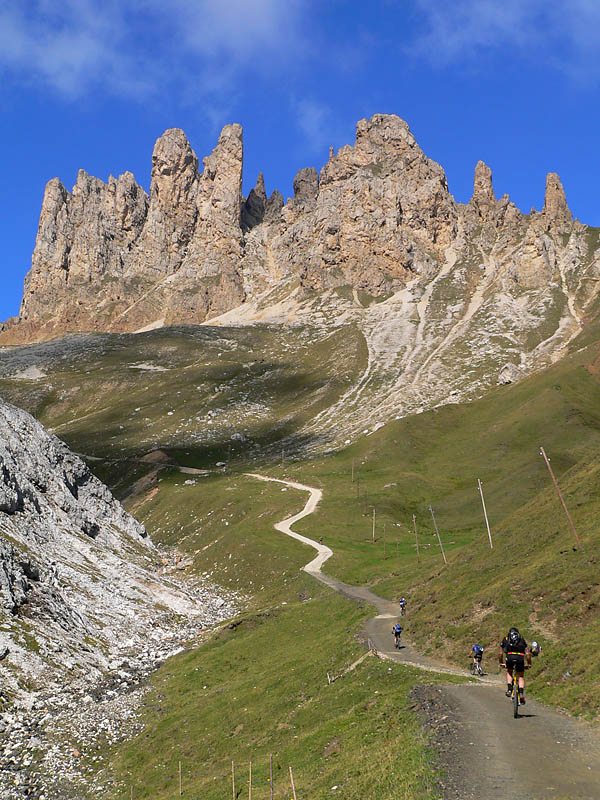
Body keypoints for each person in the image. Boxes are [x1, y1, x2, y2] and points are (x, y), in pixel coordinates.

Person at [499, 627, 531, 704]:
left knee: (509, 671)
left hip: (509, 657)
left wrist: (501, 662)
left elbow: (500, 653)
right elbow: (528, 653)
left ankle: (510, 689)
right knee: (520, 676)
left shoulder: (506, 638)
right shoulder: (521, 639)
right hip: (520, 658)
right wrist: (529, 663)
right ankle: (521, 693)